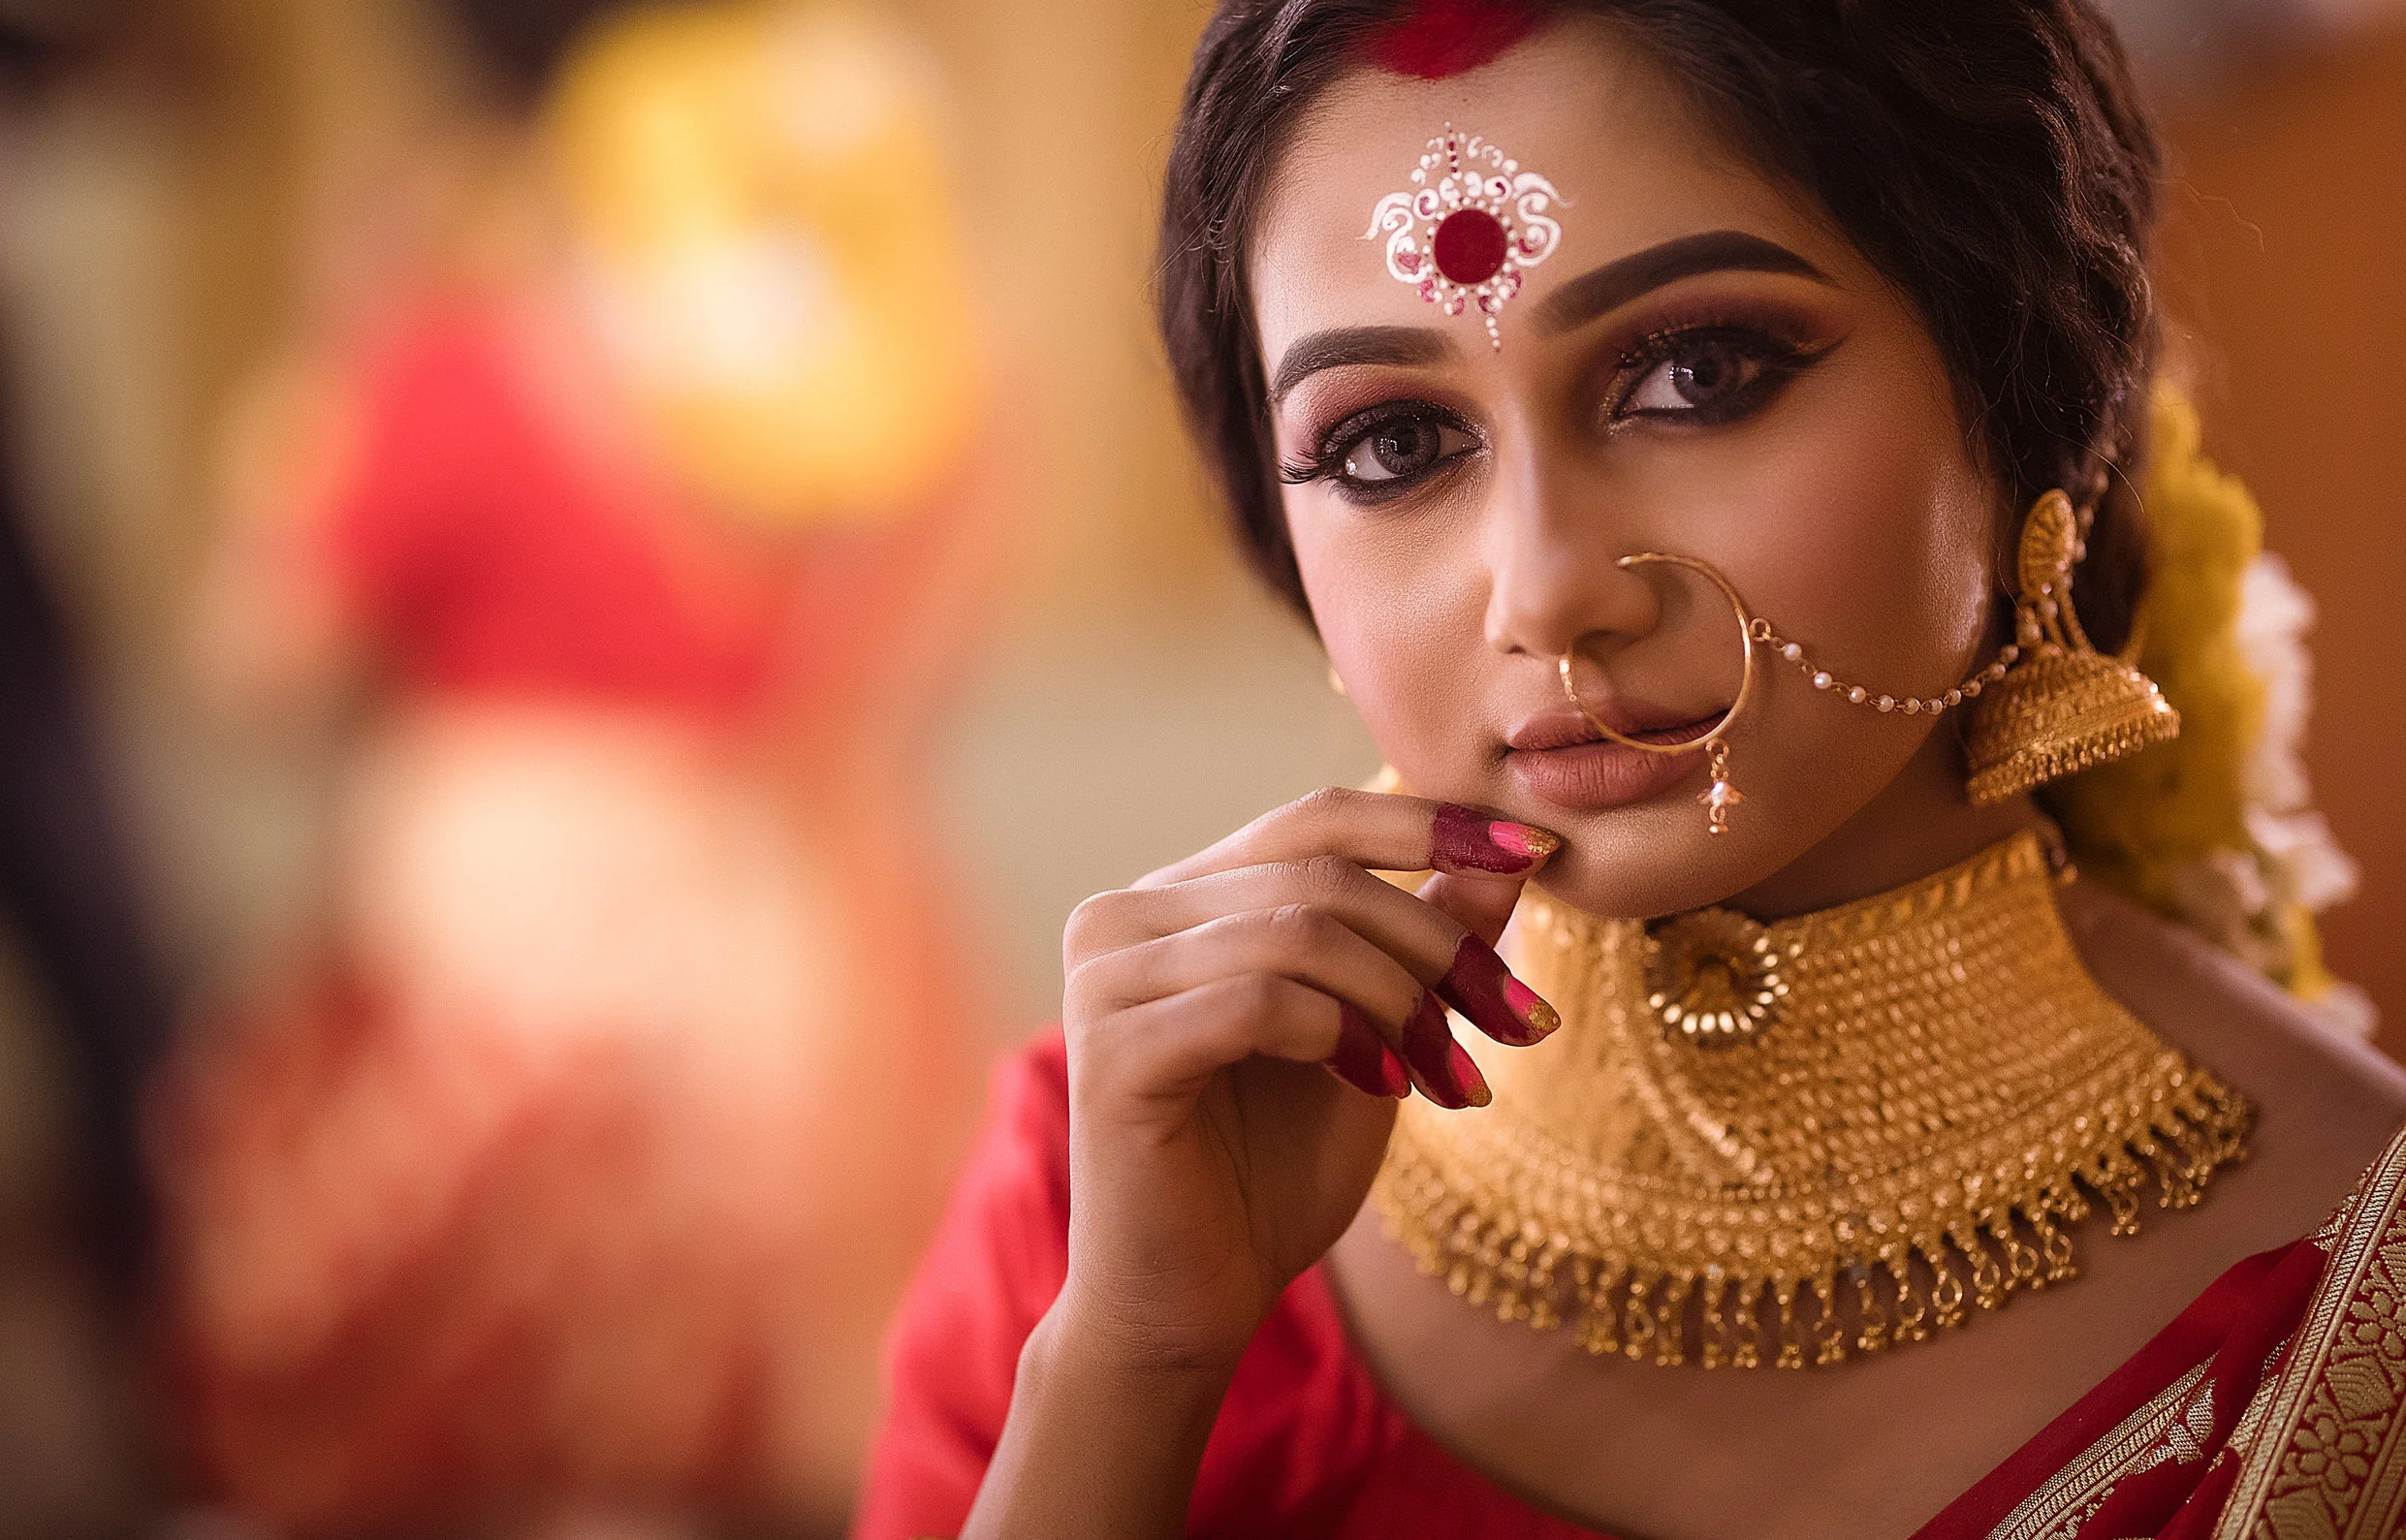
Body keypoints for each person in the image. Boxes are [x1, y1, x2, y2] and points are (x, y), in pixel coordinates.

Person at [851, 3, 2406, 1537]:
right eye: (1394, 444)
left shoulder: (2363, 1325)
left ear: (2028, 397)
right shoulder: (1122, 1186)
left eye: (1699, 374)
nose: (1543, 589)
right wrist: (1131, 1368)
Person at [156, 2, 997, 1533]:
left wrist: (334, 370)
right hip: (779, 955)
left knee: (489, 1446)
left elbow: (250, 662)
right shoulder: (862, 362)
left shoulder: (452, 355)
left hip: (503, 952)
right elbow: (913, 655)